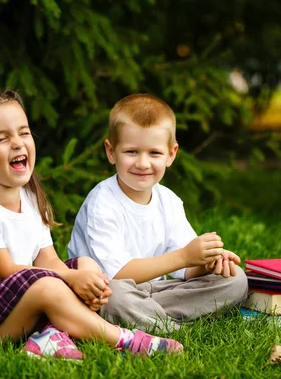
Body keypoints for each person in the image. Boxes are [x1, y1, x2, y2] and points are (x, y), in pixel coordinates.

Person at [0, 90, 183, 360]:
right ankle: (125, 339)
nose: (17, 143)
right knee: (50, 286)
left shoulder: (29, 196)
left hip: (21, 296)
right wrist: (68, 280)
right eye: (2, 138)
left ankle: (49, 336)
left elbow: (47, 257)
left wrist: (79, 279)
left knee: (86, 265)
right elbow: (6, 272)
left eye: (23, 132)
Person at [67, 93, 249, 332]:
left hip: (157, 293)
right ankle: (171, 328)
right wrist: (185, 256)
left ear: (171, 155)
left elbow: (185, 269)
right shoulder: (103, 202)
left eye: (154, 153)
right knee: (115, 297)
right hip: (107, 293)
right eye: (131, 152)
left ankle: (150, 321)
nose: (143, 163)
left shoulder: (169, 201)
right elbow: (118, 275)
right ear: (111, 152)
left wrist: (207, 262)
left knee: (236, 279)